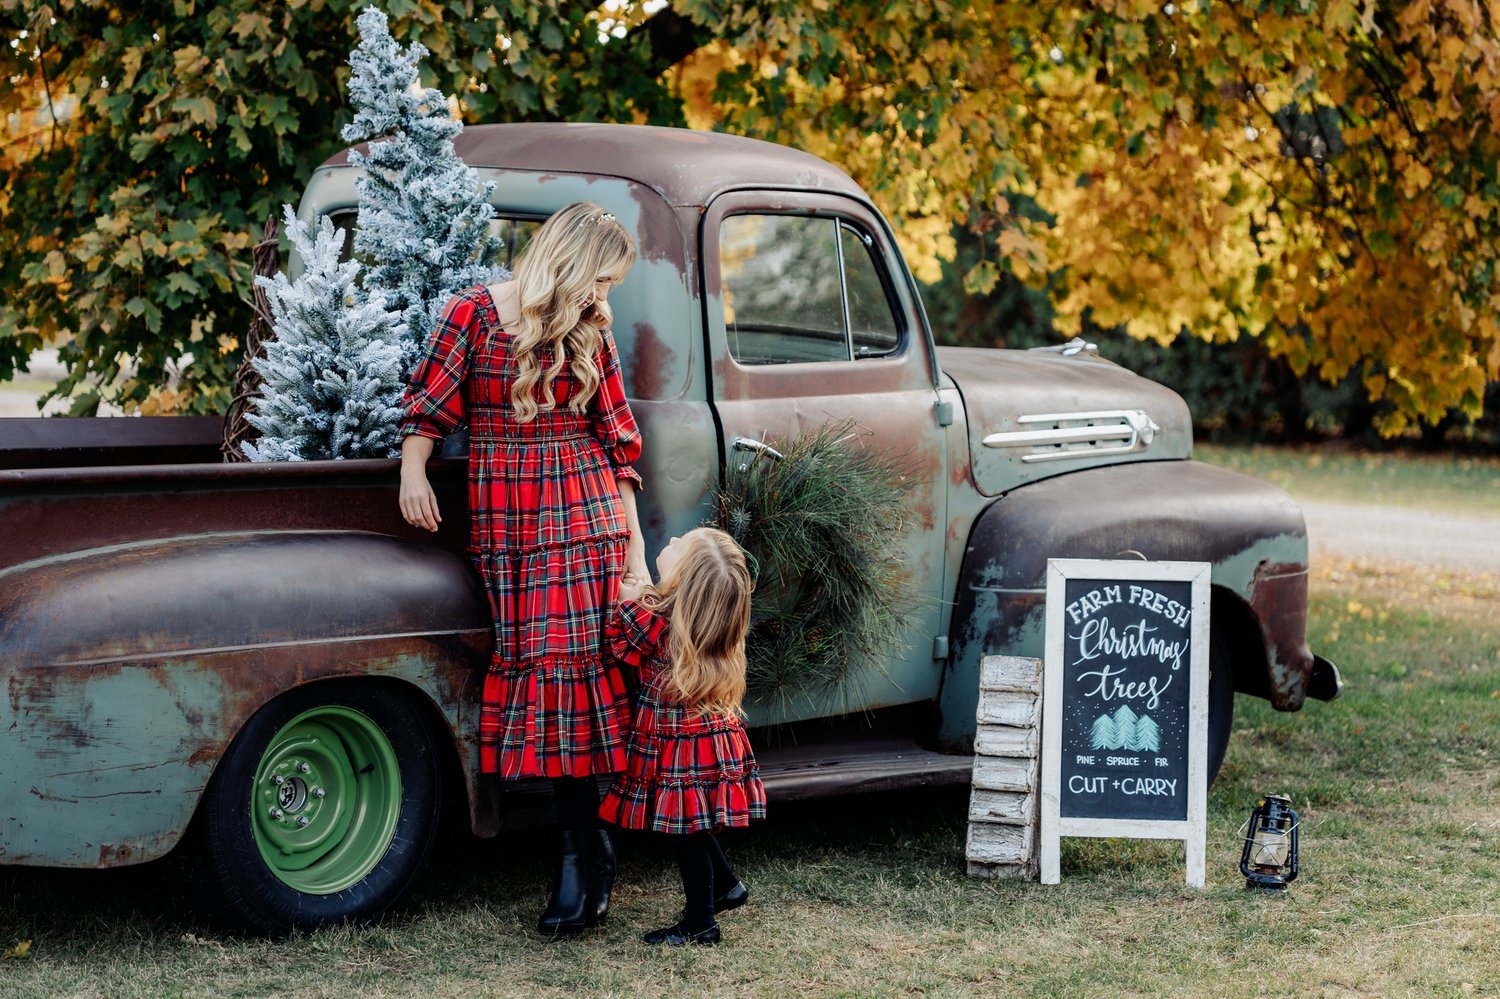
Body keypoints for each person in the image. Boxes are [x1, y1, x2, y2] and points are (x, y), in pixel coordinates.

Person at [396, 201, 649, 937]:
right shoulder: (471, 316)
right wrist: (412, 473)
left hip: (582, 514)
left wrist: (634, 552)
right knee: (544, 679)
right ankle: (592, 844)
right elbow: (428, 407)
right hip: (508, 523)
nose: (606, 297)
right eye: (602, 279)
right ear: (570, 263)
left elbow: (620, 443)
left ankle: (579, 857)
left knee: (569, 680)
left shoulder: (591, 329)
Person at [598, 527, 767, 946]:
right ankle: (727, 885)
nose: (669, 543)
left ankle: (701, 922)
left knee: (685, 831)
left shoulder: (655, 624)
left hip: (682, 750)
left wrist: (632, 589)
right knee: (694, 821)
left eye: (678, 547)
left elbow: (617, 618)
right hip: (709, 742)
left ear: (684, 580)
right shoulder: (698, 627)